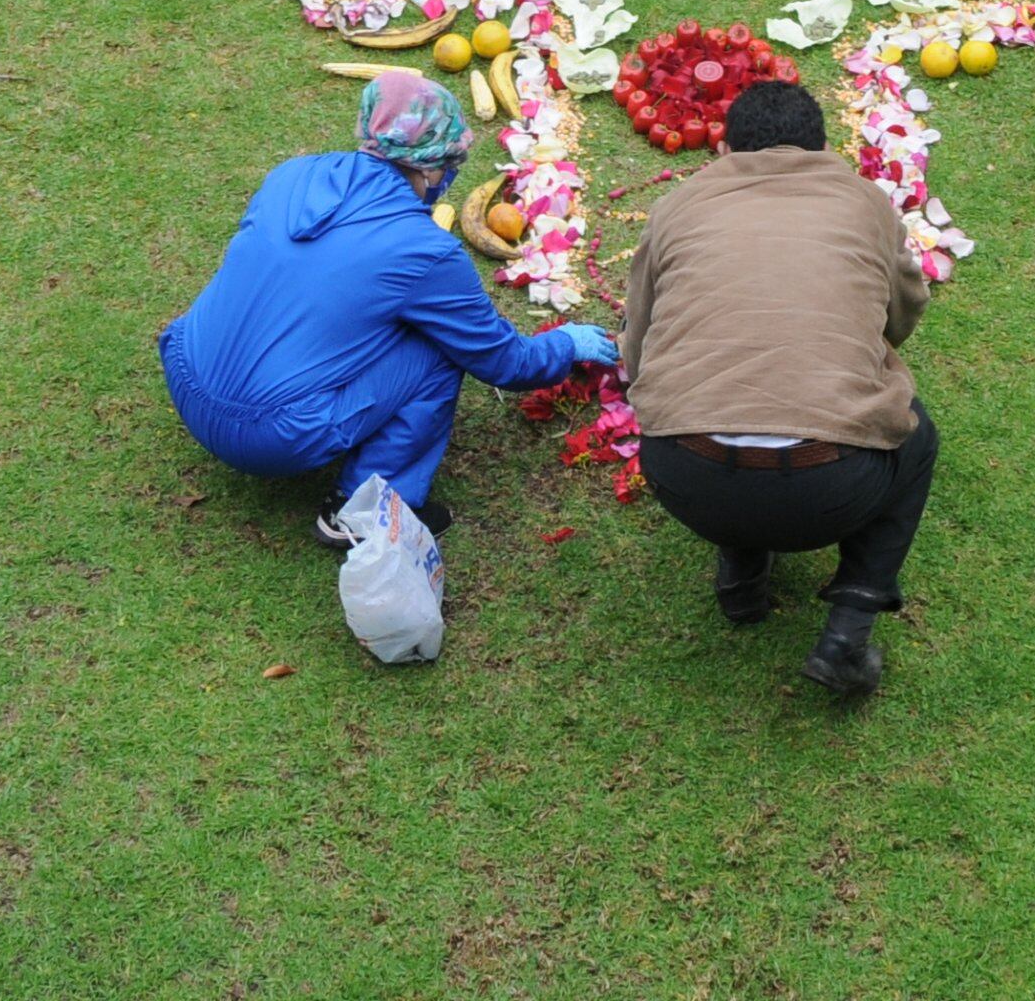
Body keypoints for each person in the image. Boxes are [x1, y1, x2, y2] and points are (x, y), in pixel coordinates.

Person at [157, 71, 610, 531]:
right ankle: (361, 510)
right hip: (267, 435)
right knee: (440, 349)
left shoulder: (291, 175)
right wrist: (567, 345)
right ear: (434, 168)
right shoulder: (426, 251)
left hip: (184, 370)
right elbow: (503, 362)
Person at [617, 80, 936, 698]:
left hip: (686, 477)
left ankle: (740, 575)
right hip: (831, 488)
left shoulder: (678, 206)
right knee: (917, 440)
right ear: (821, 147)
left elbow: (638, 341)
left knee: (726, 401)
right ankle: (848, 632)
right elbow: (900, 318)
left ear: (727, 150)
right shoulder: (865, 202)